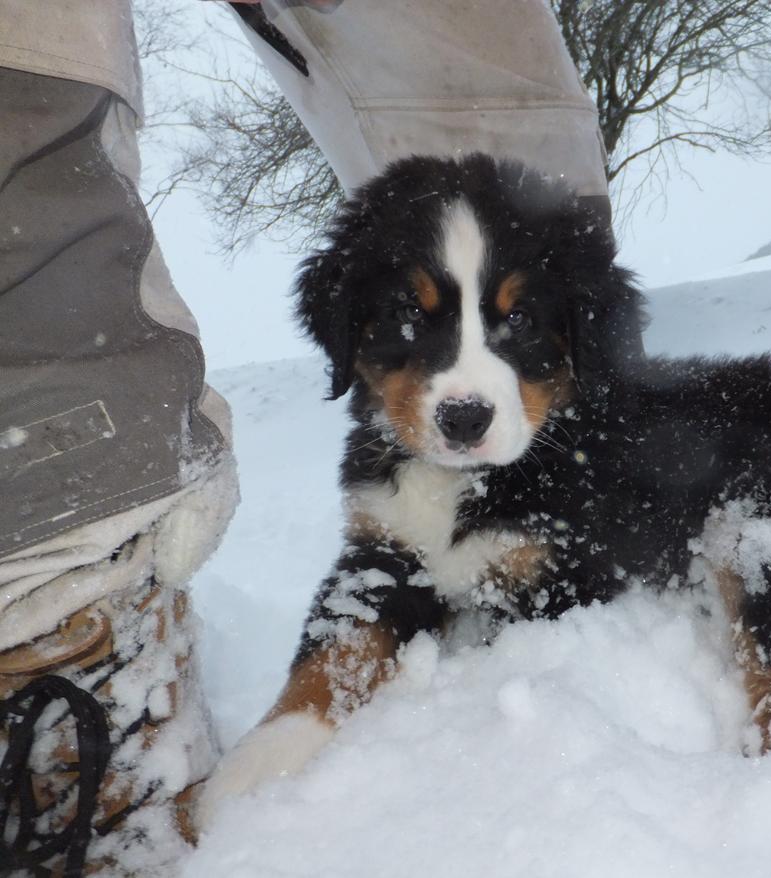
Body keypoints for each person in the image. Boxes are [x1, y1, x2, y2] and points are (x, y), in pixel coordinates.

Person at [0, 1, 610, 873]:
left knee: (467, 63)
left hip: (592, 459)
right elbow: (373, 583)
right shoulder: (382, 443)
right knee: (26, 67)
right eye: (409, 315)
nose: (460, 382)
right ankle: (53, 590)